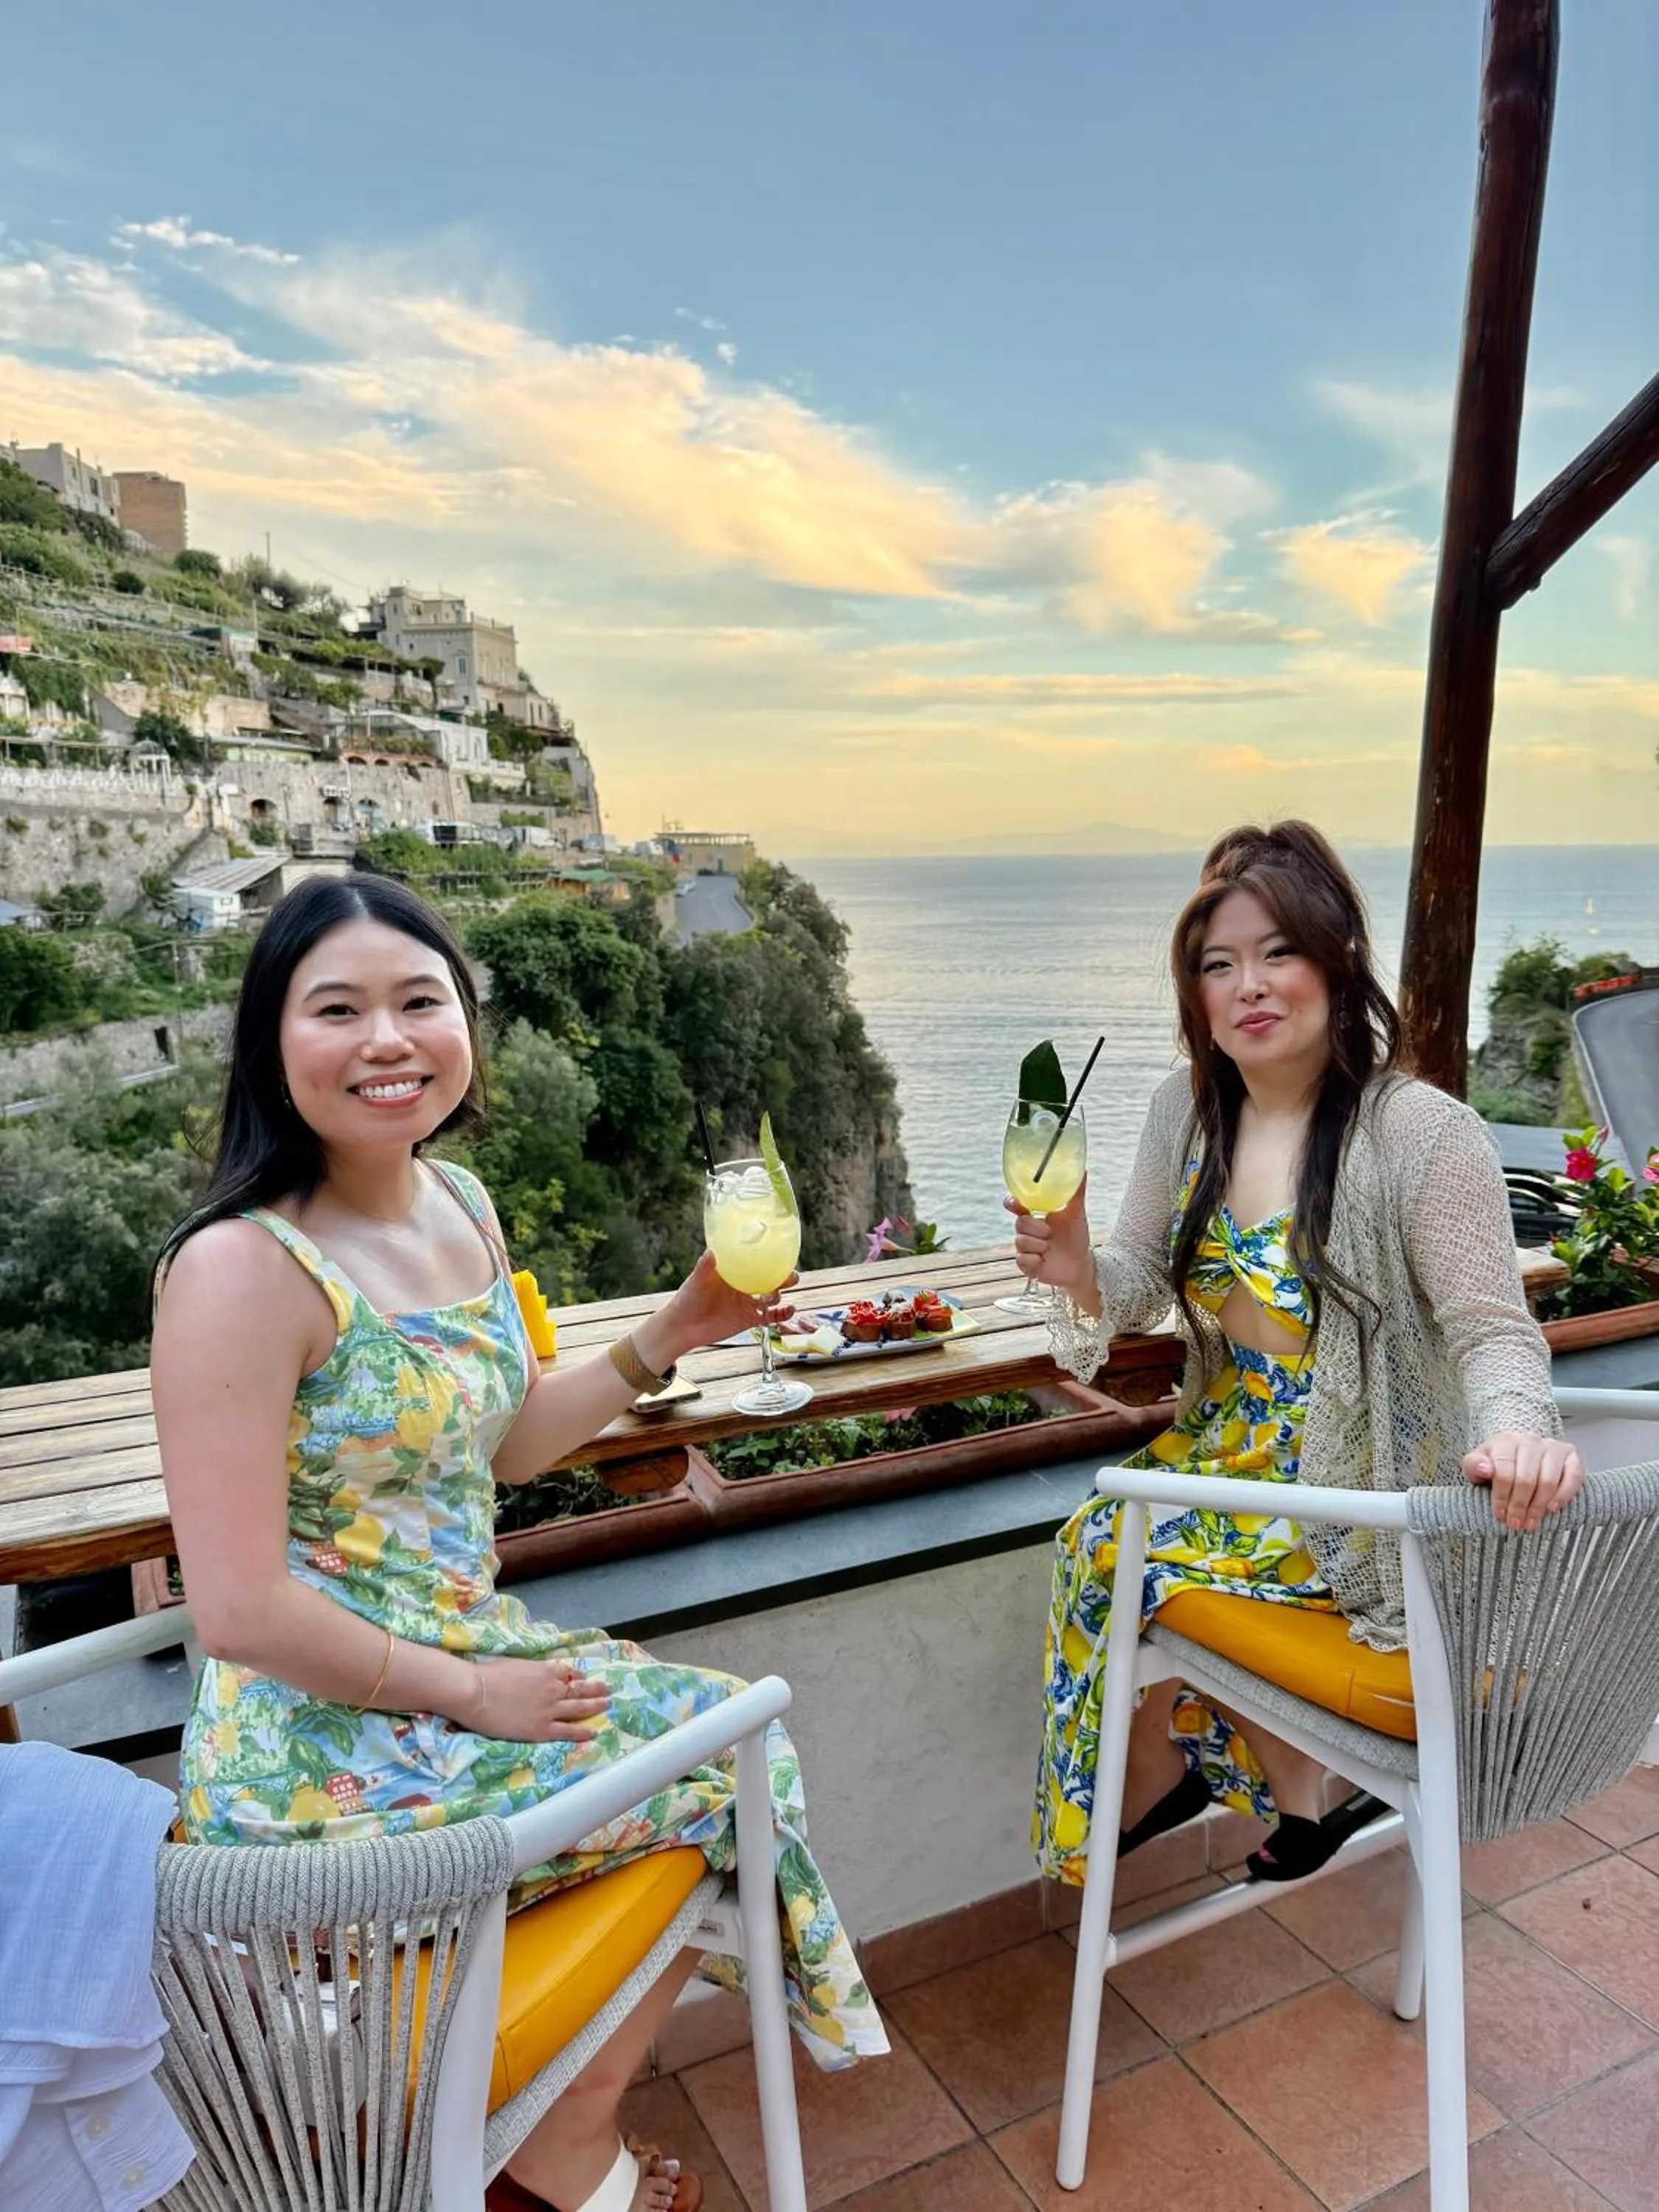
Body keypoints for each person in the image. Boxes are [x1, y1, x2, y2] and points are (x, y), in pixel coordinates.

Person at [150, 874, 886, 2212]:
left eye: (420, 1001)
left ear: (465, 1026)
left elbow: (494, 1452)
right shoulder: (240, 1271)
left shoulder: (462, 1204)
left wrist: (673, 1329)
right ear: (270, 1046)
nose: (388, 1039)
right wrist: (477, 1693)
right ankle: (557, 2145)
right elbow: (241, 1610)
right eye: (338, 1009)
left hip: (459, 1679)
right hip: (325, 1755)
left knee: (731, 1742)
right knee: (734, 1759)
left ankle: (552, 2126)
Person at [1009, 821, 1583, 1886]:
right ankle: (1284, 1791)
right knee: (1105, 1535)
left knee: (1110, 1546)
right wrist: (1076, 1263)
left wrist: (1518, 1434)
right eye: (1216, 965)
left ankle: (1151, 1780)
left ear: (1335, 959)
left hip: (1351, 1476)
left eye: (1276, 951)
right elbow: (1135, 1278)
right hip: (1221, 1450)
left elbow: (1493, 1331)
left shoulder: (1421, 1133)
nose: (1248, 986)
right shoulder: (1180, 1108)